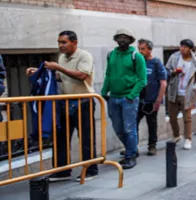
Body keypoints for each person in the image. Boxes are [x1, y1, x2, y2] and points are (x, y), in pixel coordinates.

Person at [30, 31, 99, 182]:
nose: (60, 45)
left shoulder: (84, 56)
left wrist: (58, 68)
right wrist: (39, 72)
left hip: (83, 102)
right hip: (65, 102)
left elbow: (82, 75)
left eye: (64, 42)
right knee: (60, 137)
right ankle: (62, 170)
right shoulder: (62, 57)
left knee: (86, 138)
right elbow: (61, 77)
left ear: (74, 42)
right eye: (59, 42)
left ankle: (90, 170)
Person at [102, 29, 147, 170]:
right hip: (113, 98)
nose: (122, 40)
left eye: (125, 38)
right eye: (119, 37)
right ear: (115, 39)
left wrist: (131, 96)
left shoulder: (136, 56)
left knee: (129, 128)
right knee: (118, 128)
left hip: (128, 98)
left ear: (130, 40)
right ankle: (131, 149)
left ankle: (130, 156)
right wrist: (104, 91)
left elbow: (142, 79)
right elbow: (108, 74)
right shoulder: (111, 55)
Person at [165, 39, 196, 150]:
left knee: (187, 118)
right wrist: (174, 72)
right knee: (172, 117)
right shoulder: (174, 57)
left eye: (185, 47)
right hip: (174, 91)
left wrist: (195, 89)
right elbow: (166, 71)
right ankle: (177, 135)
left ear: (190, 49)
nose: (182, 49)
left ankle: (188, 139)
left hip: (187, 93)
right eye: (181, 46)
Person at [135, 39, 167, 156]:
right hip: (138, 99)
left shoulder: (156, 63)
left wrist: (158, 100)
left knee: (151, 123)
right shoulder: (138, 62)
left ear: (149, 49)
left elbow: (163, 83)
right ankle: (134, 147)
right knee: (134, 123)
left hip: (151, 100)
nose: (140, 51)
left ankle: (152, 146)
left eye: (143, 49)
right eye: (139, 49)